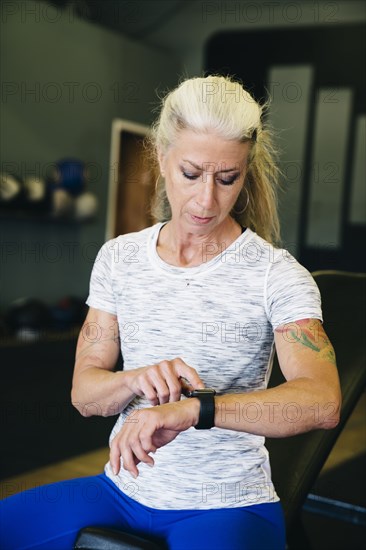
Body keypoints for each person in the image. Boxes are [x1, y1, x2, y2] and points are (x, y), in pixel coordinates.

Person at [0, 75, 341, 550]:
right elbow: (85, 394)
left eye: (227, 179)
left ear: (245, 172)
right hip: (121, 490)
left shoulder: (275, 274)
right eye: (191, 173)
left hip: (228, 504)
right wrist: (135, 379)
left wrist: (194, 410)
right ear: (161, 159)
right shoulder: (119, 258)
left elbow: (321, 401)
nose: (207, 200)